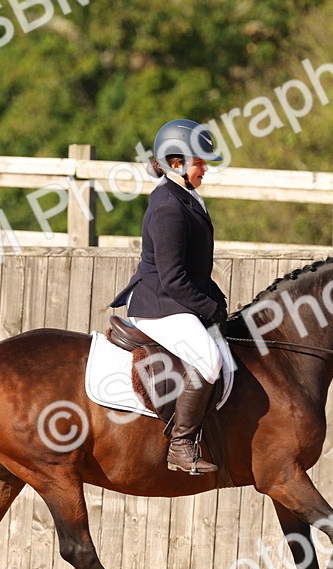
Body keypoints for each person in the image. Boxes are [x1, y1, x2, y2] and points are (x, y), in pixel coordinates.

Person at [109, 118, 228, 474]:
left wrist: (216, 299)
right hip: (159, 306)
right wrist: (209, 307)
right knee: (209, 359)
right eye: (199, 162)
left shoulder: (186, 197)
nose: (205, 169)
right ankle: (180, 445)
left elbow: (194, 269)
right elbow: (174, 278)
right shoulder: (167, 208)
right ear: (176, 163)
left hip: (175, 301)